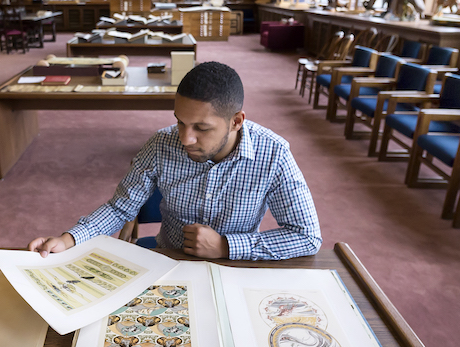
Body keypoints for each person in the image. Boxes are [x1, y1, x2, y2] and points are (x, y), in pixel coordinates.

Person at [27, 61, 321, 260]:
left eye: (201, 128)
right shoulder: (161, 144)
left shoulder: (273, 154)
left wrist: (227, 247)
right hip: (167, 261)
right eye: (180, 122)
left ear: (236, 121)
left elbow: (307, 237)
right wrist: (69, 240)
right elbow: (120, 209)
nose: (185, 138)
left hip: (236, 268)